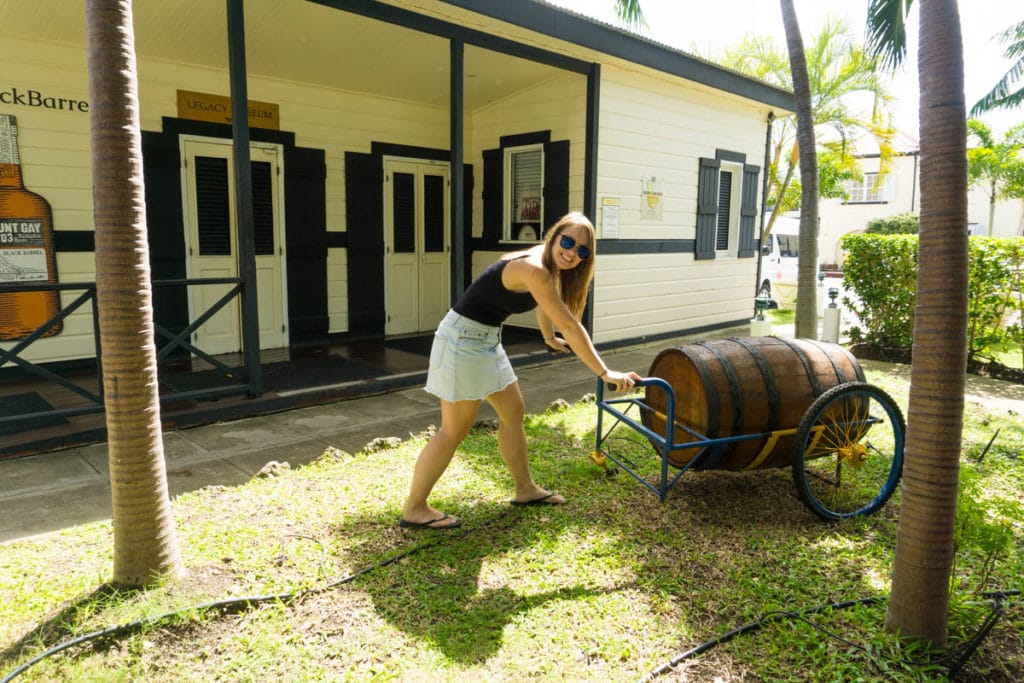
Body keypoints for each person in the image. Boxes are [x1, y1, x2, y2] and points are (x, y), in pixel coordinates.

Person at [399, 211, 642, 529]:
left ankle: (524, 489)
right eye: (567, 242)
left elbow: (544, 302)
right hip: (463, 341)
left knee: (513, 411)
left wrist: (545, 336)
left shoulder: (546, 265)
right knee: (453, 430)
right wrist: (605, 372)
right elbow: (568, 322)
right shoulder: (535, 268)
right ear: (555, 236)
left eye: (582, 250)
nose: (572, 252)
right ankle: (414, 508)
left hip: (484, 338)